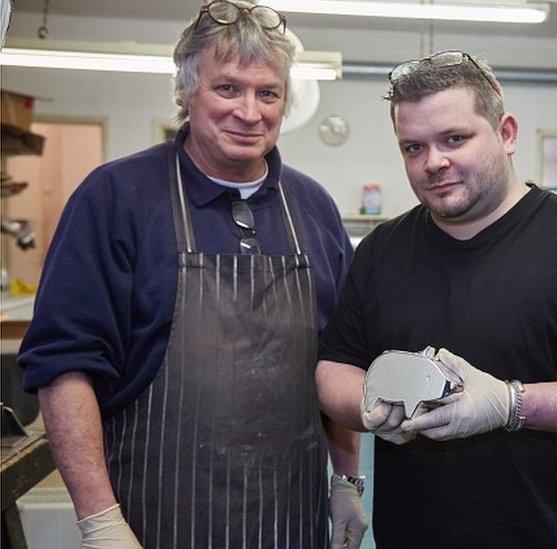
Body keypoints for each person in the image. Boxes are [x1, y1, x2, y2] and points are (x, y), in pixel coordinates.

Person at [17, 2, 367, 547]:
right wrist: (99, 520)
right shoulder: (116, 198)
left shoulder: (313, 208)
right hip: (153, 522)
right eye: (227, 88)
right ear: (186, 93)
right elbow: (64, 366)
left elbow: (338, 361)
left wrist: (346, 479)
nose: (249, 112)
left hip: (291, 522)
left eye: (267, 93)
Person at [316, 50, 557, 548]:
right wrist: (365, 403)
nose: (434, 162)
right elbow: (334, 367)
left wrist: (512, 403)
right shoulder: (381, 251)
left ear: (506, 133)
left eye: (454, 139)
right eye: (413, 147)